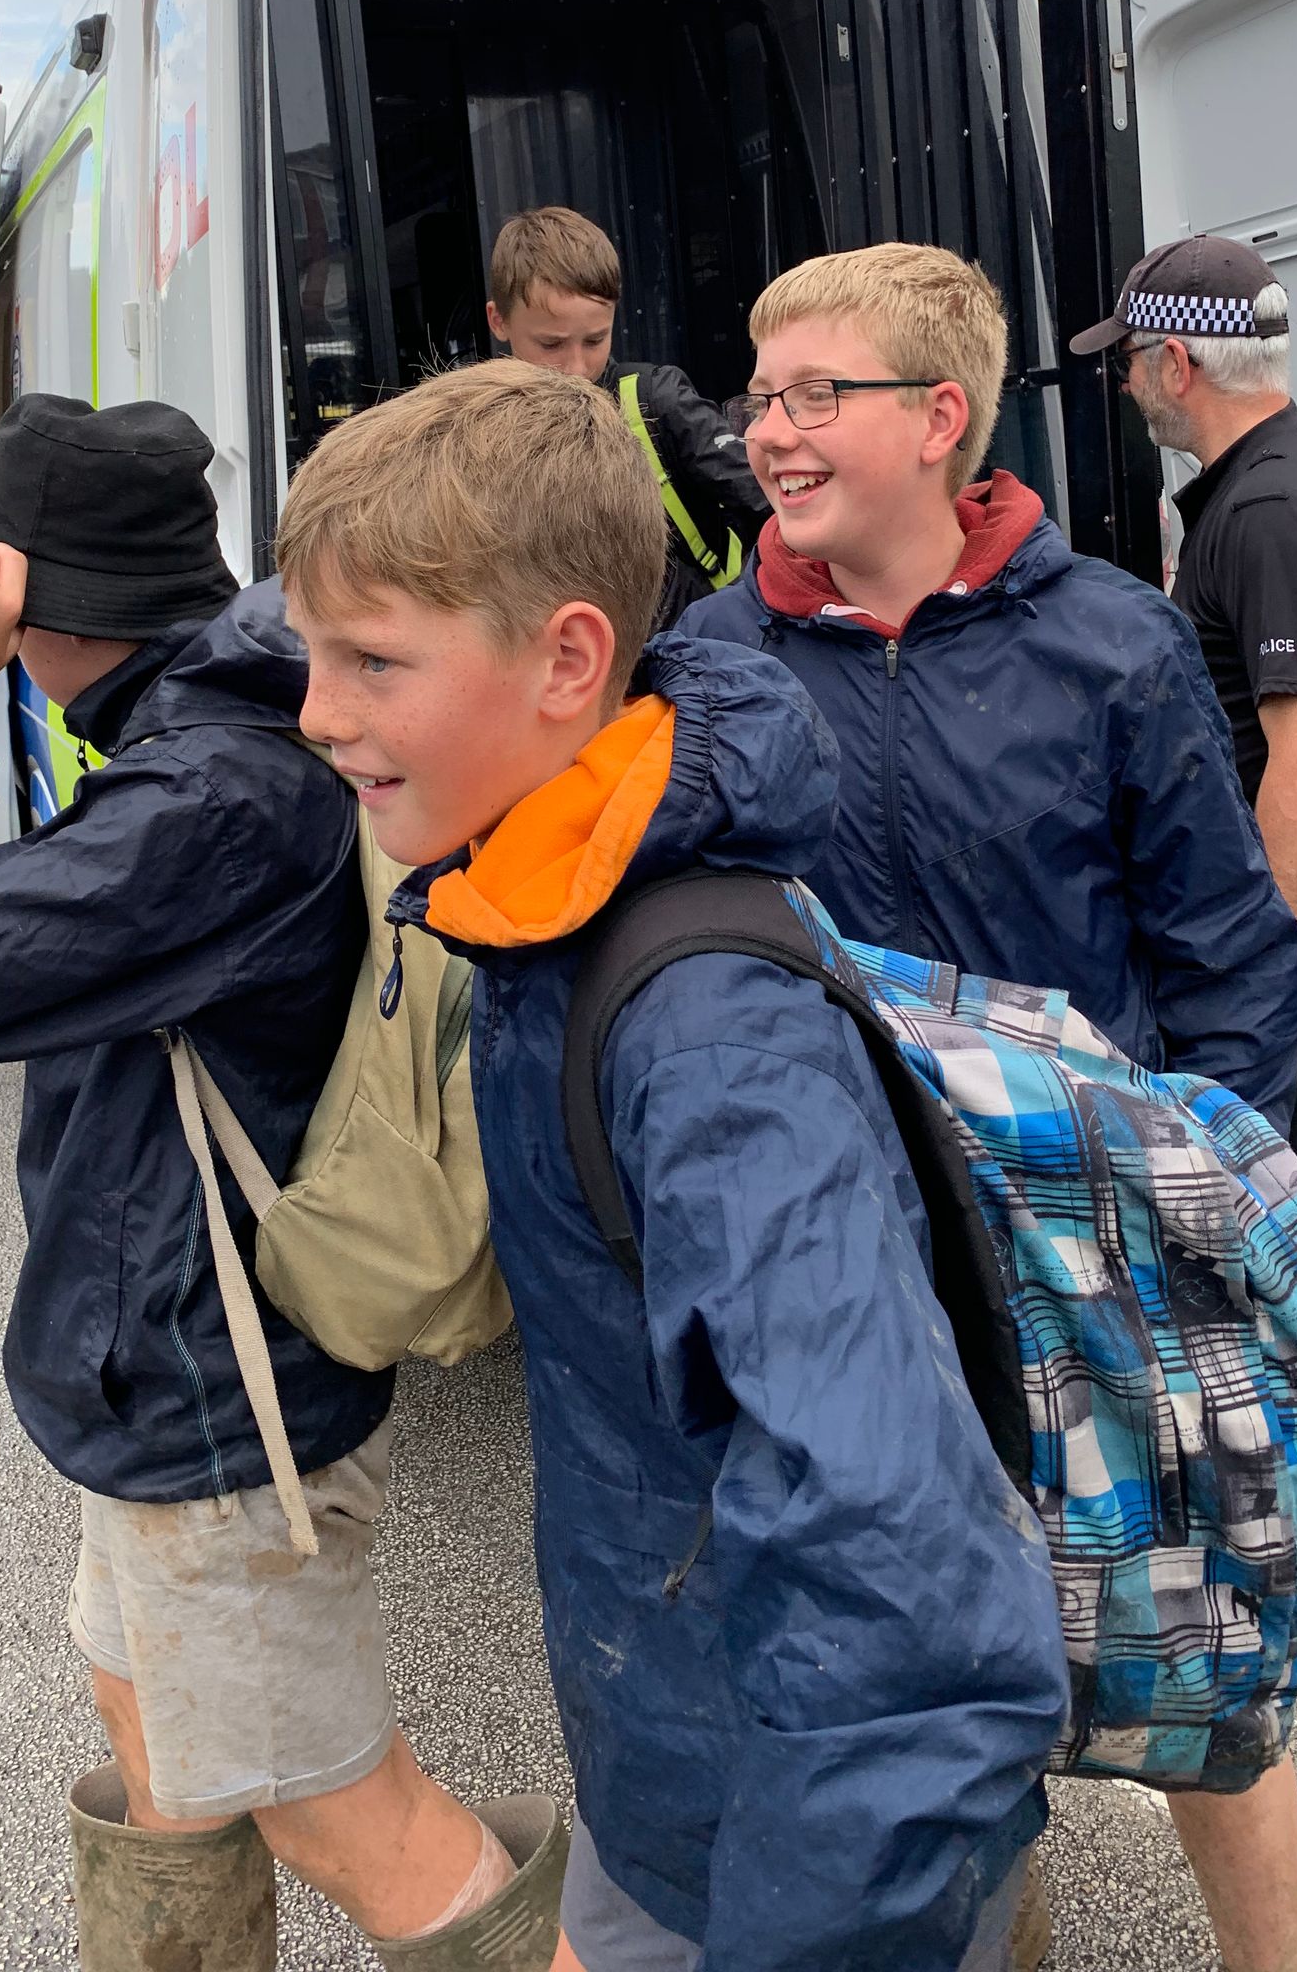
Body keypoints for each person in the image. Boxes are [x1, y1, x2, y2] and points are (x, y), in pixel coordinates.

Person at [276, 357, 1070, 1972]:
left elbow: (914, 1607)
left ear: (571, 659)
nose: (315, 712)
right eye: (309, 651)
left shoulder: (705, 1045)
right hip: (683, 1787)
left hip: (790, 1874)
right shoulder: (537, 897)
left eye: (369, 659)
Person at [0, 394, 561, 1972]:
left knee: (349, 1817)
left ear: (35, 597)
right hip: (172, 1372)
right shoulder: (211, 727)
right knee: (161, 1761)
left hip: (216, 1398)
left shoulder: (208, 794)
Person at [680, 242, 1297, 1972]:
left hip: (1088, 1252)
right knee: (927, 1669)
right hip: (847, 1261)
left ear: (937, 418)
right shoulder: (711, 667)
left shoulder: (1115, 645)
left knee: (1199, 1660)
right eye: (762, 397)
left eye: (816, 395)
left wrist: (1214, 1224)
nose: (769, 434)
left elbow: (1231, 965)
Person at [1077, 233, 1297, 1387]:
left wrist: (1266, 948)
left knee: (1273, 1181)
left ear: (1178, 361)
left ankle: (1293, 1445)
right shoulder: (1283, 468)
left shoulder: (1272, 506)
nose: (1122, 381)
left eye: (1127, 358)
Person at [486, 206, 768, 625]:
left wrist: (741, 611)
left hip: (692, 649)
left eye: (595, 339)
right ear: (498, 321)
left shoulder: (657, 399)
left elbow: (766, 503)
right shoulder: (478, 432)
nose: (577, 367)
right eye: (551, 345)